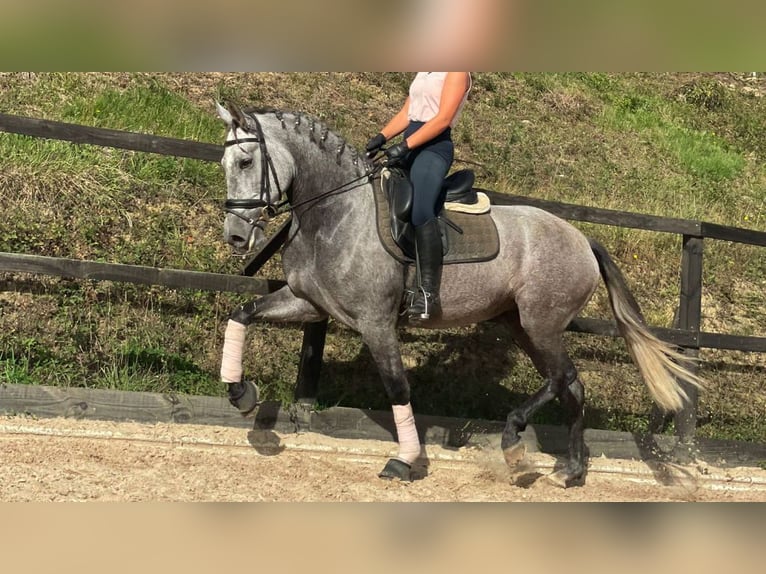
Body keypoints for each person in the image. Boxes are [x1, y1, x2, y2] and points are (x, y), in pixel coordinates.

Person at [365, 72, 472, 321]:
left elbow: (443, 119)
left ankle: (427, 294)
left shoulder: (457, 71)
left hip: (433, 149)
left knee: (421, 209)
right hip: (409, 146)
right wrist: (381, 137)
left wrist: (405, 146)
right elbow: (408, 112)